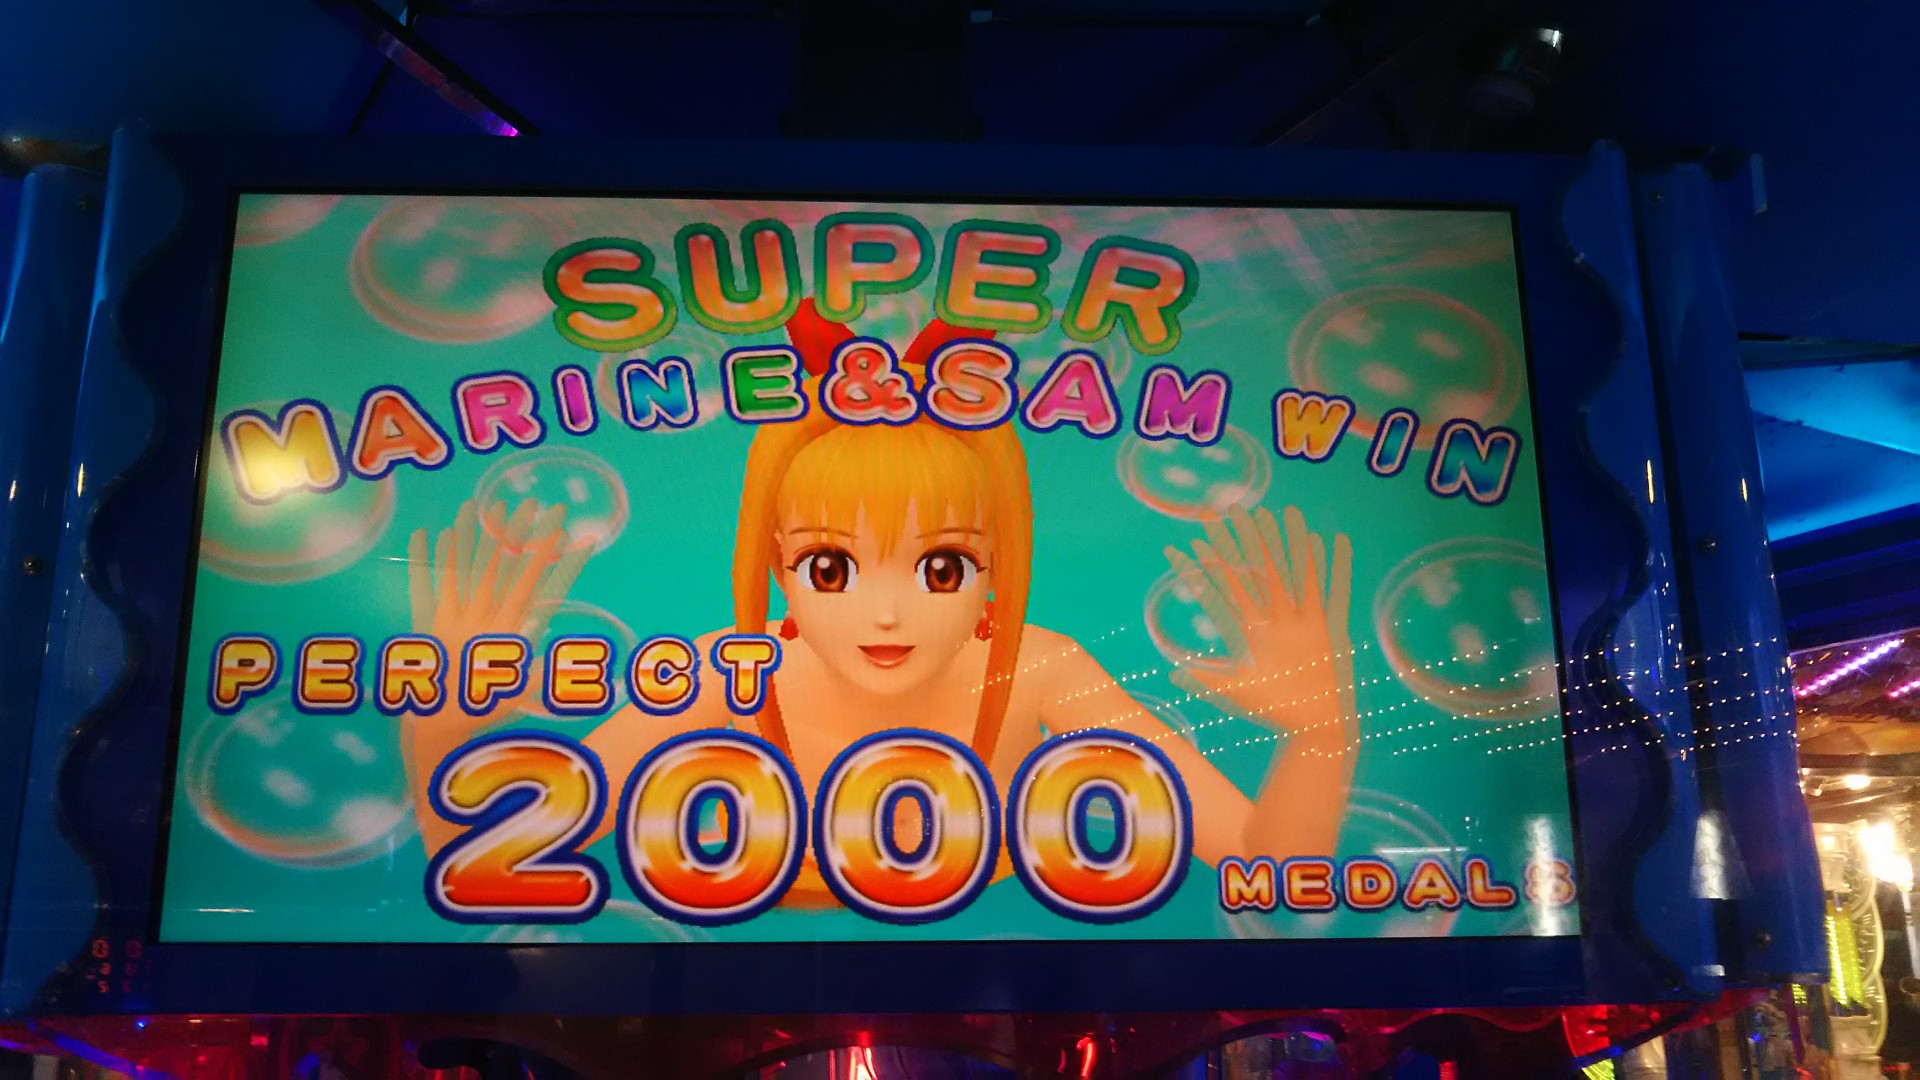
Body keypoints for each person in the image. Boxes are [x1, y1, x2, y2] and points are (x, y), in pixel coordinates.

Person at [404, 301, 1359, 909]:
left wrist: (1322, 735)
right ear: (778, 572)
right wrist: (440, 715)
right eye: (831, 568)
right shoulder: (731, 670)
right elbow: (475, 866)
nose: (888, 615)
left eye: (941, 568)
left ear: (996, 573)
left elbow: (1271, 870)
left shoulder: (1039, 666)